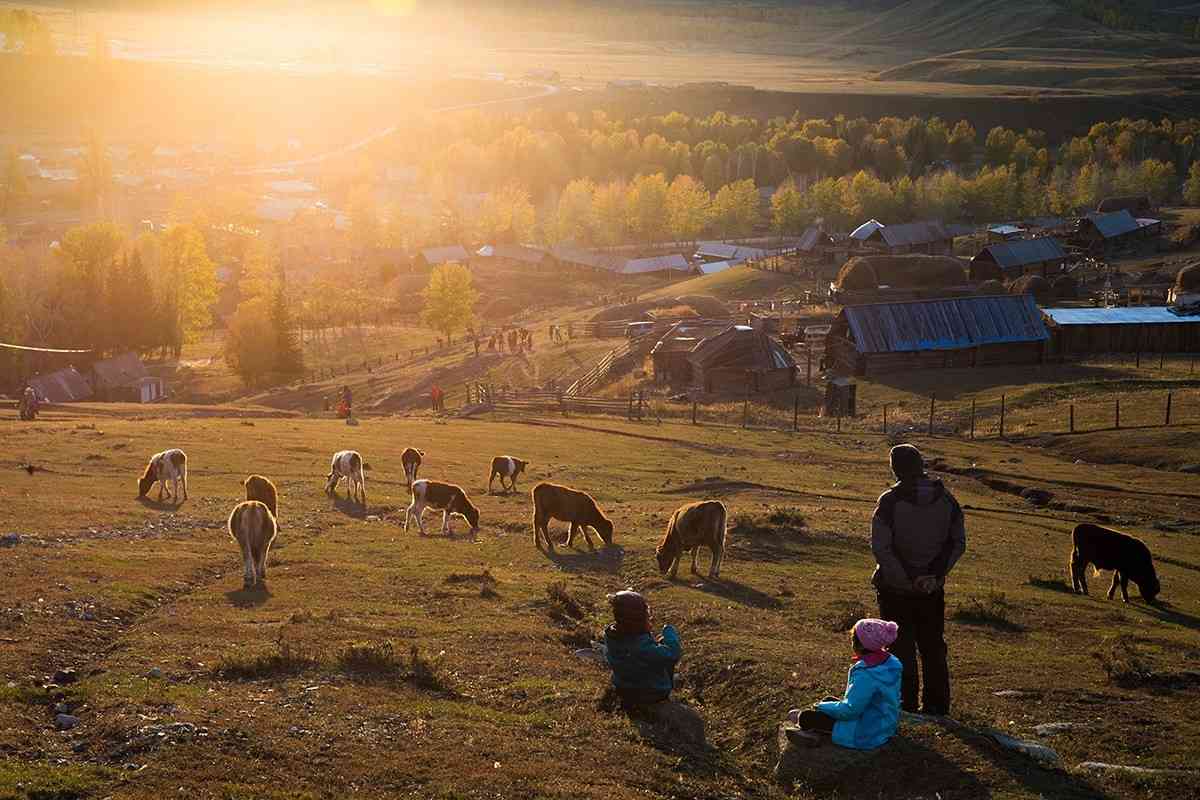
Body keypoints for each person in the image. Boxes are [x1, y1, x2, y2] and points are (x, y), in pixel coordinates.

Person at [871, 444, 966, 716]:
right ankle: (937, 706)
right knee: (933, 646)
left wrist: (905, 577)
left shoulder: (890, 501)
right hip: (931, 589)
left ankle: (906, 705)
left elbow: (881, 546)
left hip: (895, 588)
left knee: (900, 647)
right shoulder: (947, 500)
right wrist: (934, 576)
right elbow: (957, 542)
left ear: (895, 468)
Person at [785, 619, 902, 749]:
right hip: (883, 722)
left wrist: (820, 706)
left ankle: (808, 731)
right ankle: (816, 727)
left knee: (807, 716)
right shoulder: (890, 662)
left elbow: (850, 711)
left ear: (861, 645)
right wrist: (826, 705)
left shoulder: (866, 673)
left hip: (865, 733)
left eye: (853, 640)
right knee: (828, 700)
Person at [603, 590, 681, 709]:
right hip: (649, 693)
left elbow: (638, 651)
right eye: (647, 615)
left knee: (658, 648)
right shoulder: (641, 646)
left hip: (622, 686)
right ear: (639, 619)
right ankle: (664, 694)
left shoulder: (612, 635)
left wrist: (656, 644)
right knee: (666, 658)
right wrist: (670, 634)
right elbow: (673, 654)